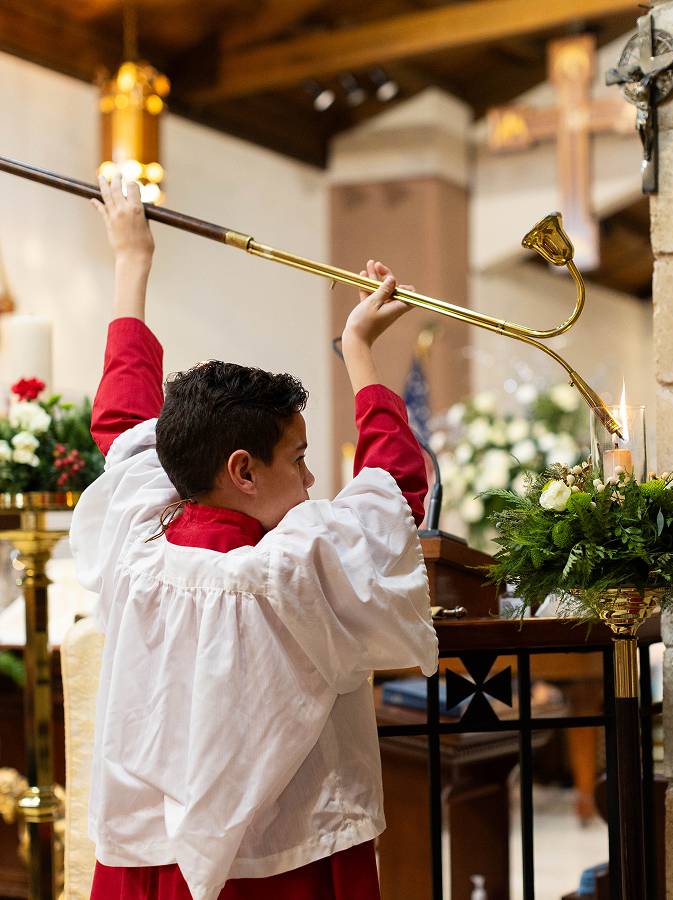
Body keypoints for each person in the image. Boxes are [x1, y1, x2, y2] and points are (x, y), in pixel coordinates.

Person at [70, 174, 438, 900]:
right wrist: (360, 350)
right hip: (288, 864)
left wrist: (131, 260)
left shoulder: (137, 539)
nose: (308, 482)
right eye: (298, 459)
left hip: (151, 859)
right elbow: (394, 492)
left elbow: (121, 421)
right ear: (241, 469)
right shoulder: (293, 566)